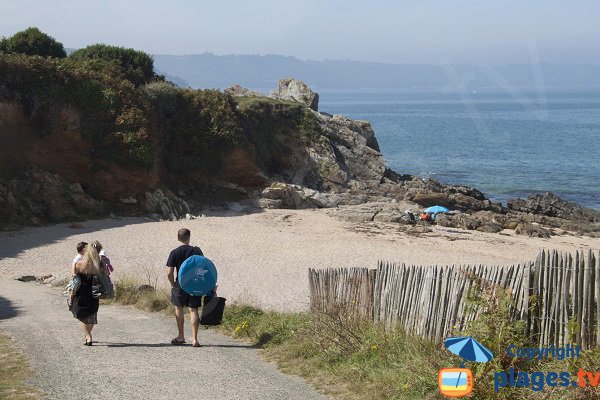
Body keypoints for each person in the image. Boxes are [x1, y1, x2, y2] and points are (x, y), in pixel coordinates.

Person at [166, 228, 206, 347]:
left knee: (179, 308)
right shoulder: (197, 251)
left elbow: (169, 272)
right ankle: (194, 339)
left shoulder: (174, 252)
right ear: (189, 237)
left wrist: (173, 284)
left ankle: (181, 336)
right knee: (193, 310)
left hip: (181, 284)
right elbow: (205, 267)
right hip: (195, 284)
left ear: (178, 238)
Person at [71, 240, 104, 346]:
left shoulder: (80, 264)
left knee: (81, 314)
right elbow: (106, 273)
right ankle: (88, 335)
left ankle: (88, 336)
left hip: (82, 290)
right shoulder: (99, 264)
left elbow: (73, 275)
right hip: (95, 290)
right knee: (92, 313)